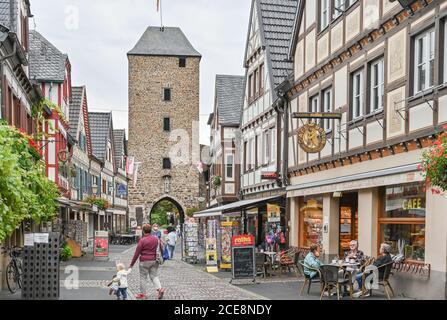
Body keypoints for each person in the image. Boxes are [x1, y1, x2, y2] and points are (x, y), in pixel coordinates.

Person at [130, 224, 166, 300]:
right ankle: (160, 289)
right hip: (154, 260)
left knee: (143, 277)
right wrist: (162, 258)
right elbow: (161, 248)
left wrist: (131, 265)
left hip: (144, 261)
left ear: (143, 231)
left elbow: (137, 253)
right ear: (151, 230)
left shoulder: (142, 240)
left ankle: (143, 294)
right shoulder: (156, 239)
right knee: (154, 276)